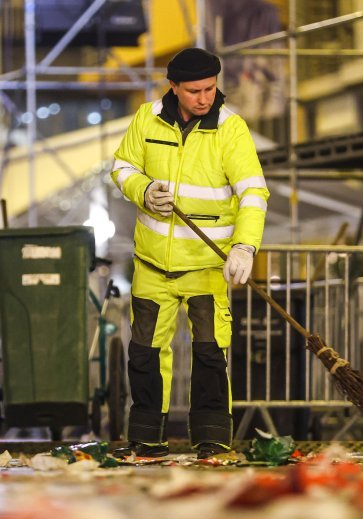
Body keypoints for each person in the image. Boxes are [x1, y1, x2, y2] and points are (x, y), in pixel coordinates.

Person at [110, 47, 269, 459]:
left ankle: (212, 440)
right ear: (174, 88)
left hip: (205, 266)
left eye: (210, 89)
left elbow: (253, 192)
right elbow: (123, 168)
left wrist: (245, 247)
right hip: (152, 265)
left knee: (210, 356)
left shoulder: (231, 130)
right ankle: (146, 439)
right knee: (144, 355)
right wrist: (143, 191)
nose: (204, 97)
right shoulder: (146, 119)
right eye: (194, 90)